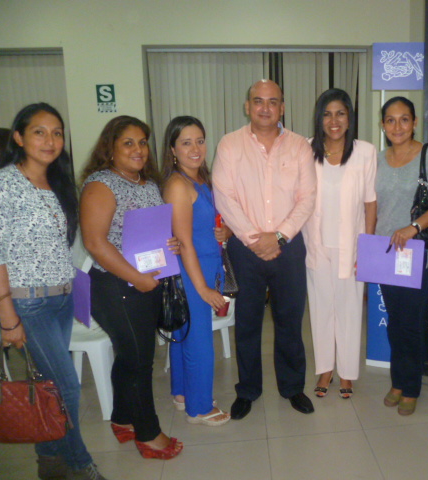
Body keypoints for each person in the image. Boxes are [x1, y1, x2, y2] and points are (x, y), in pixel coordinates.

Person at [0, 103, 107, 480]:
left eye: (57, 132)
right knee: (67, 389)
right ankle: (79, 464)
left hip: (61, 297)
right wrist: (7, 316)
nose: (50, 140)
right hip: (30, 302)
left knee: (47, 387)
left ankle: (50, 463)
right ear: (19, 137)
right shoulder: (3, 183)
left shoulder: (56, 182)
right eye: (39, 132)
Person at [79, 116, 183, 460]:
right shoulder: (101, 184)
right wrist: (137, 279)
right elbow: (95, 243)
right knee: (140, 360)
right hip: (116, 286)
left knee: (130, 354)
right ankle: (148, 434)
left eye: (142, 142)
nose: (138, 149)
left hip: (146, 281)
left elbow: (148, 230)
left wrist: (171, 246)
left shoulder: (146, 183)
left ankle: (123, 419)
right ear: (110, 148)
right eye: (128, 143)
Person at [212, 79, 316, 420]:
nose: (265, 107)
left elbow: (307, 198)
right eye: (258, 101)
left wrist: (280, 237)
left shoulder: (300, 146)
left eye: (273, 101)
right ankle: (248, 390)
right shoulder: (229, 145)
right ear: (248, 106)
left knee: (289, 321)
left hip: (289, 247)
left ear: (282, 108)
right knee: (248, 323)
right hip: (246, 248)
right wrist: (254, 238)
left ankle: (292, 387)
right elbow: (224, 197)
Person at [375, 96, 428, 416]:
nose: (397, 126)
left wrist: (413, 228)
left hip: (416, 252)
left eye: (404, 119)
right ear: (383, 125)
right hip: (385, 252)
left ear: (415, 122)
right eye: (390, 120)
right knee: (395, 322)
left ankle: (412, 386)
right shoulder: (377, 159)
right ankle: (398, 380)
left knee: (413, 322)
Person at [302, 88, 377, 399]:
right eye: (328, 114)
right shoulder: (305, 150)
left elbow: (370, 202)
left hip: (352, 245)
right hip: (316, 244)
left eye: (341, 113)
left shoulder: (365, 152)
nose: (334, 120)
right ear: (320, 119)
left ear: (350, 118)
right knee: (321, 310)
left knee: (348, 311)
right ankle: (325, 369)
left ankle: (347, 374)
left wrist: (368, 247)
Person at [160, 116, 231, 426]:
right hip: (192, 271)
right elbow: (185, 243)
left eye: (200, 140)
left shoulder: (203, 178)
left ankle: (182, 393)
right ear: (173, 149)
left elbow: (214, 221)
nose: (195, 148)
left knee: (184, 332)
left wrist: (225, 231)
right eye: (186, 142)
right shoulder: (178, 184)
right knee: (199, 338)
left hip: (206, 264)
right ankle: (199, 408)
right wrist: (202, 288)